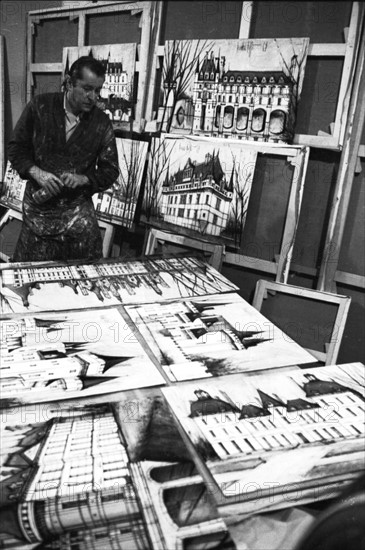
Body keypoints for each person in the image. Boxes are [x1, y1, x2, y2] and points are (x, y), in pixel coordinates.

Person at [7, 56, 119, 262]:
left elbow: (110, 170)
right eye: (86, 89)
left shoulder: (101, 123)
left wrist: (83, 179)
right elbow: (15, 149)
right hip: (39, 212)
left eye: (97, 91)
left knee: (87, 279)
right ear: (69, 83)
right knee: (29, 281)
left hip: (77, 214)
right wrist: (37, 173)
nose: (92, 97)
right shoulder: (40, 107)